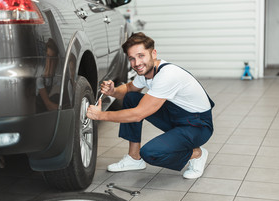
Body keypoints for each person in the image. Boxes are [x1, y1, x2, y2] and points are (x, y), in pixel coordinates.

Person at [86, 32, 214, 179]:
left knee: (151, 153)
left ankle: (196, 154)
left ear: (153, 53)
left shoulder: (167, 75)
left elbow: (137, 114)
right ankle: (134, 158)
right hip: (177, 116)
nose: (137, 63)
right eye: (132, 59)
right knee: (131, 98)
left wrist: (100, 115)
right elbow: (128, 89)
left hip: (198, 126)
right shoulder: (145, 73)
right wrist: (113, 91)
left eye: (141, 56)